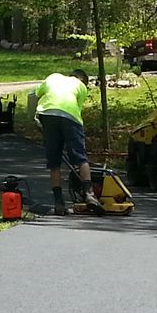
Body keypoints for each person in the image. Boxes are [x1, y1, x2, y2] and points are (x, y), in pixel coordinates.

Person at [31, 68, 97, 215]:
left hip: (47, 114)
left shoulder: (53, 77)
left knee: (54, 163)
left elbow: (33, 95)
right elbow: (76, 112)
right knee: (80, 158)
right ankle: (89, 194)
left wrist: (35, 119)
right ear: (83, 81)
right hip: (70, 116)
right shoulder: (81, 87)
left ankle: (59, 203)